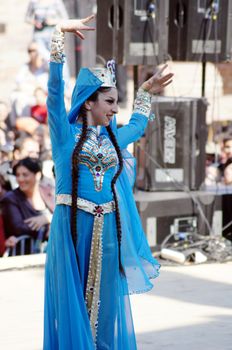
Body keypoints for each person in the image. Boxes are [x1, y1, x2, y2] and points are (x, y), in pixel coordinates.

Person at [43, 15, 173, 350]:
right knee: (75, 304)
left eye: (117, 102)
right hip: (73, 228)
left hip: (109, 229)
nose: (116, 109)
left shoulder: (114, 138)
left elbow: (138, 126)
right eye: (110, 101)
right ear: (89, 101)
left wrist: (144, 92)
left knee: (107, 307)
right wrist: (58, 36)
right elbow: (55, 94)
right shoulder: (64, 136)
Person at [1, 157, 53, 254]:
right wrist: (47, 227)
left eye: (25, 175)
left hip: (52, 251)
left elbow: (62, 216)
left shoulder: (48, 191)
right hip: (24, 252)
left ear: (37, 175)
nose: (20, 179)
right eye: (17, 175)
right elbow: (18, 228)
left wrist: (48, 219)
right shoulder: (10, 198)